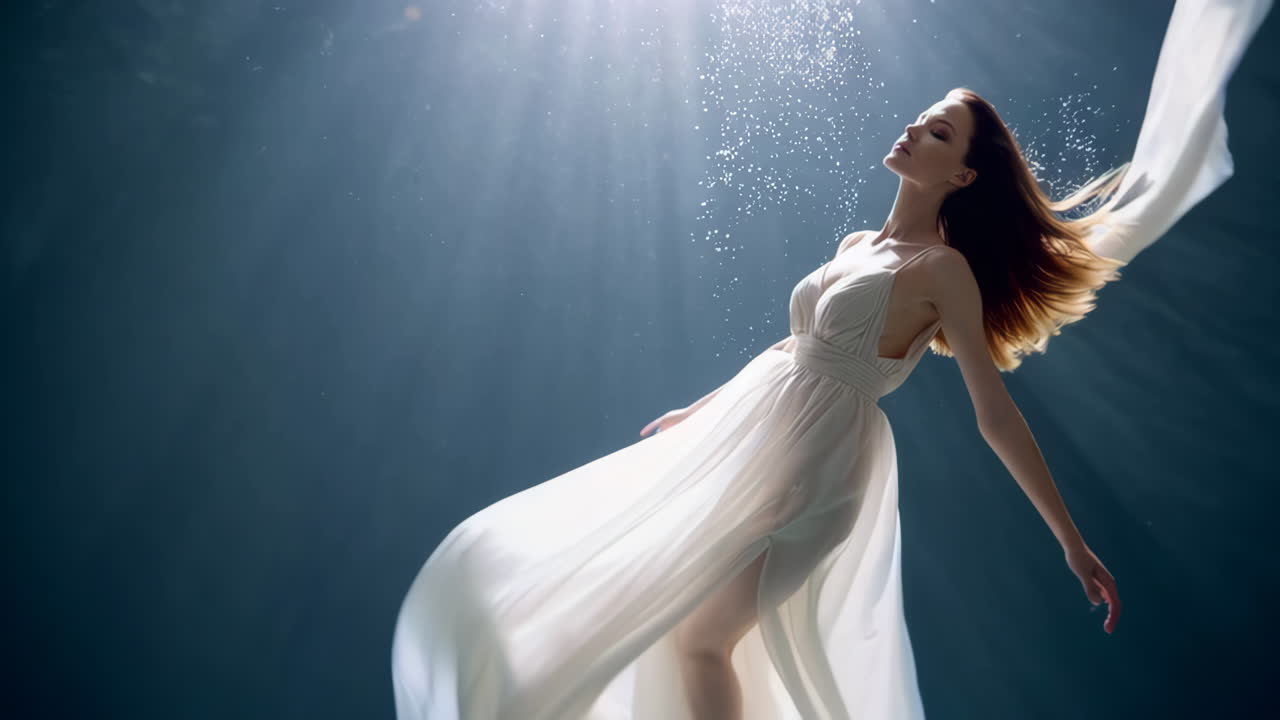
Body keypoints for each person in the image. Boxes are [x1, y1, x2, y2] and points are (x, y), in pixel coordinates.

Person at [391, 1, 1271, 718]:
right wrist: (697, 412)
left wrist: (1072, 542)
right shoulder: (857, 242)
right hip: (752, 431)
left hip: (821, 461)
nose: (914, 130)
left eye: (938, 134)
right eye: (922, 120)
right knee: (647, 611)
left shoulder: (944, 271)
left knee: (700, 634)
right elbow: (792, 345)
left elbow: (991, 410)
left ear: (964, 177)